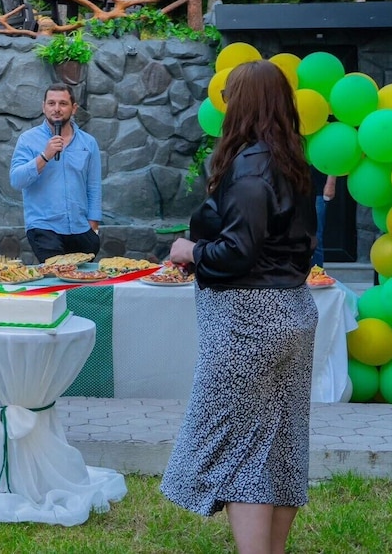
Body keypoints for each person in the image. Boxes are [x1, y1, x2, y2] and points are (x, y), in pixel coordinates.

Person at [159, 60, 318, 554]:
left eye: (229, 98)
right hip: (293, 312)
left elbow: (238, 251)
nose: (224, 107)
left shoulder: (250, 166)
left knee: (240, 451)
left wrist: (191, 251)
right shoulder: (293, 161)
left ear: (242, 104)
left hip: (249, 320)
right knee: (281, 445)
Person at [9, 83, 102, 263]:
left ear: (74, 108)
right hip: (44, 228)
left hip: (81, 228)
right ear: (43, 107)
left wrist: (93, 226)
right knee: (55, 275)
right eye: (51, 103)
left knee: (82, 279)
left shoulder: (89, 143)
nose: (57, 109)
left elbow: (94, 186)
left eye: (63, 103)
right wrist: (45, 156)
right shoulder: (28, 140)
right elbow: (16, 180)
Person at [310, 167, 337, 267]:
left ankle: (316, 273)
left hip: (317, 190)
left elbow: (333, 160)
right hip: (293, 189)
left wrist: (331, 182)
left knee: (315, 236)